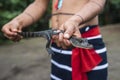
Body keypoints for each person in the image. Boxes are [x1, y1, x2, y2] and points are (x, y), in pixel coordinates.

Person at [1, 0, 108, 80]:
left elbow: (96, 2)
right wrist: (18, 21)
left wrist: (75, 20)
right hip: (57, 48)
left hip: (86, 43)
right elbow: (39, 3)